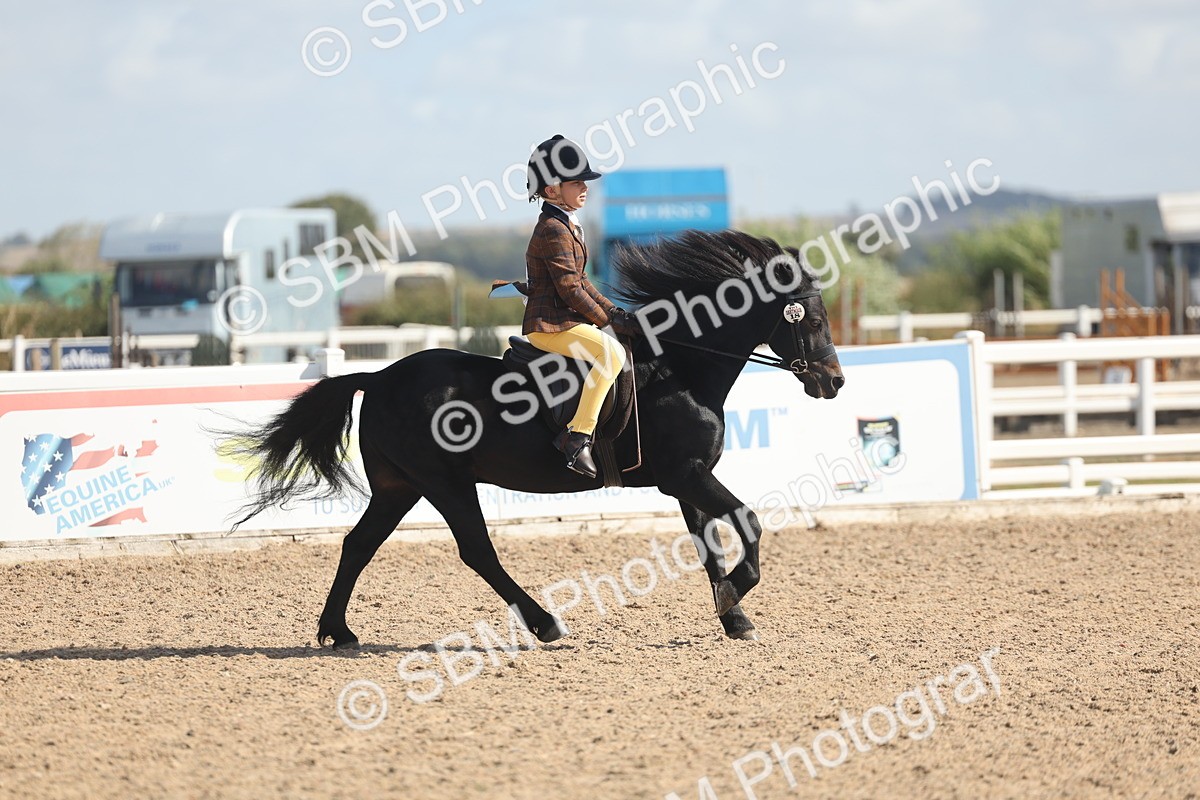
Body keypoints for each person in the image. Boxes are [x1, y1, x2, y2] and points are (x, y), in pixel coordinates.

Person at [523, 134, 640, 478]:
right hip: (549, 325)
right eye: (576, 182)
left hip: (564, 321)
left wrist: (616, 313)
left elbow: (584, 281)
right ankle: (578, 437)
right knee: (611, 354)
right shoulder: (553, 229)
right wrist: (608, 321)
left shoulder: (567, 225)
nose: (584, 188)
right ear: (551, 190)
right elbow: (571, 289)